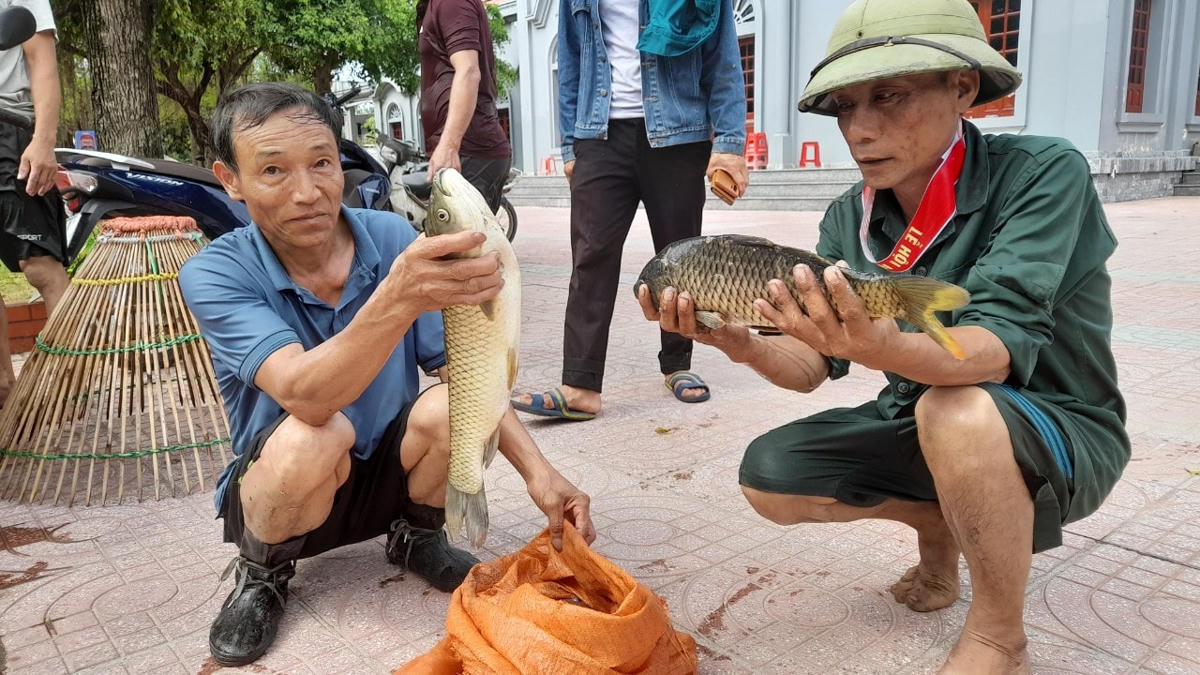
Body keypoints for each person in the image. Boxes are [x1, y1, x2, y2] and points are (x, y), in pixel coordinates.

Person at [638, 1, 1128, 672]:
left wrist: (877, 345)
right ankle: (939, 523)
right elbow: (808, 365)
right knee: (772, 476)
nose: (859, 130)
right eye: (844, 107)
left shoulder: (1044, 173)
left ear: (961, 85)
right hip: (918, 417)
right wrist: (741, 342)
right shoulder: (852, 215)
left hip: (1058, 421)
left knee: (954, 404)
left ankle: (996, 635)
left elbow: (990, 350)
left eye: (889, 97)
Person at [179, 82, 595, 668]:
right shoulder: (214, 272)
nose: (307, 192)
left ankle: (416, 533)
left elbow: (466, 370)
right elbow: (305, 393)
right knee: (313, 434)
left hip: (390, 473)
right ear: (232, 180)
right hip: (286, 486)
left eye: (322, 163)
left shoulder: (393, 237)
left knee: (448, 406)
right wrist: (395, 298)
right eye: (273, 171)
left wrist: (542, 474)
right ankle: (263, 572)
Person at [512, 0, 750, 421]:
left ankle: (678, 365)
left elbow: (723, 54)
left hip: (679, 135)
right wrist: (569, 144)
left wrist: (729, 143)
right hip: (599, 134)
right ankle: (581, 385)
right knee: (590, 257)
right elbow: (571, 61)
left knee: (682, 258)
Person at [0, 0, 67, 408]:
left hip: (8, 129)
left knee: (41, 266)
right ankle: (4, 398)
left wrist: (42, 140)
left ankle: (73, 388)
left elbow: (41, 57)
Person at [417, 0, 512, 213]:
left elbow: (468, 71)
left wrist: (449, 145)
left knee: (465, 244)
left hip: (469, 151)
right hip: (465, 151)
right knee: (461, 245)